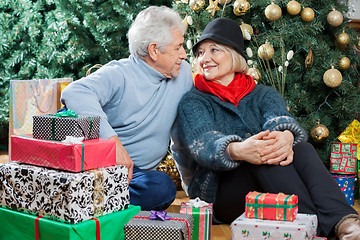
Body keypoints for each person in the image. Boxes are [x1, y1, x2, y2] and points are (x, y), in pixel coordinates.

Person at [175, 17, 360, 239]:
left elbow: (278, 118)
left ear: (235, 55)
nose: (204, 59)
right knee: (265, 157)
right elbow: (202, 143)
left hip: (269, 190)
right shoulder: (194, 101)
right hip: (219, 192)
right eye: (200, 53)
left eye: (214, 50)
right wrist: (237, 150)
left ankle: (347, 223)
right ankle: (319, 227)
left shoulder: (262, 93)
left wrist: (285, 135)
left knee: (301, 150)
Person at [60, 6, 193, 211]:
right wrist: (113, 145)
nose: (184, 54)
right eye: (178, 47)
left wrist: (190, 186)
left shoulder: (182, 73)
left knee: (162, 189)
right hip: (96, 165)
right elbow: (74, 93)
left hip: (134, 176)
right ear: (154, 50)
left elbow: (180, 136)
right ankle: (82, 195)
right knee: (67, 117)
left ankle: (81, 198)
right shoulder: (120, 73)